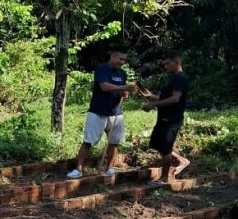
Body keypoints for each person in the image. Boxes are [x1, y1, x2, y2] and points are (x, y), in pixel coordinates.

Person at [67, 48, 132, 179]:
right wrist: (124, 87)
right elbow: (104, 86)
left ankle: (109, 168)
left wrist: (126, 92)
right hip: (97, 111)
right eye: (120, 59)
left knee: (113, 143)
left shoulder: (122, 74)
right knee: (88, 141)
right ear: (112, 56)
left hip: (116, 113)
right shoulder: (101, 68)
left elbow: (123, 93)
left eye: (124, 60)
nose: (122, 62)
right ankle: (78, 169)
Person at [137, 51, 190, 184]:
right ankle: (182, 160)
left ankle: (164, 178)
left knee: (165, 149)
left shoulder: (180, 78)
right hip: (163, 117)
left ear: (176, 62)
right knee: (157, 144)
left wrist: (153, 104)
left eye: (167, 64)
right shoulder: (172, 77)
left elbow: (175, 99)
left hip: (172, 119)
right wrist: (151, 96)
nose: (165, 67)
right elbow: (166, 98)